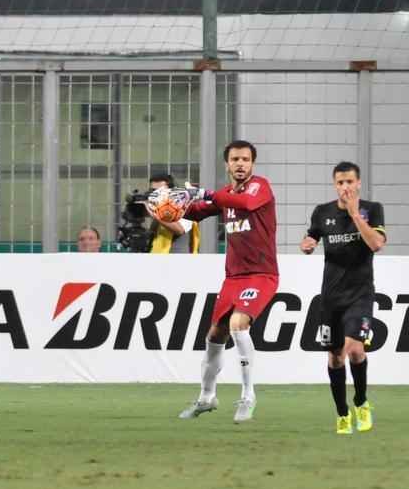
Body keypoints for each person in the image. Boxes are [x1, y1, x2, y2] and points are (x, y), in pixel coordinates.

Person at [178, 140, 278, 423]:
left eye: (245, 159)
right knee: (214, 336)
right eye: (235, 159)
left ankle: (248, 395)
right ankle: (207, 397)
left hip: (261, 275)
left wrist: (207, 193)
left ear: (252, 164)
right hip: (233, 278)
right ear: (227, 164)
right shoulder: (224, 195)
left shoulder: (260, 187)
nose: (240, 164)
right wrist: (167, 207)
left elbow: (245, 202)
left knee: (238, 324)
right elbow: (193, 214)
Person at [301, 162, 386, 435]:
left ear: (358, 183)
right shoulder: (322, 212)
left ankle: (361, 402)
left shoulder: (372, 209)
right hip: (331, 298)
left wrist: (354, 215)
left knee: (355, 349)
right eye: (340, 182)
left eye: (349, 182)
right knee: (335, 357)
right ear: (334, 184)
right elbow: (311, 235)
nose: (345, 187)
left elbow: (376, 244)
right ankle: (342, 413)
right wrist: (308, 244)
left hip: (360, 294)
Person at [147, 172, 200, 254]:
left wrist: (156, 215)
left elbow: (180, 230)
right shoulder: (157, 206)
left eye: (161, 190)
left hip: (178, 261)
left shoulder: (185, 204)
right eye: (153, 190)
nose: (156, 193)